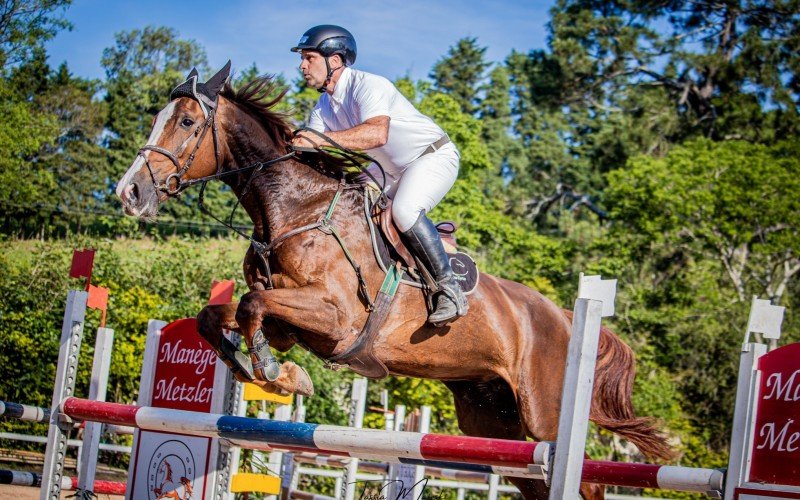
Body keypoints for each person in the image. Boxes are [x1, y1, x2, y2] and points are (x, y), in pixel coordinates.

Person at [290, 25, 468, 326]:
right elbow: (312, 150)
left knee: (405, 210)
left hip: (431, 156)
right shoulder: (323, 107)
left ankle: (449, 287)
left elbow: (377, 133)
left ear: (334, 60)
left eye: (309, 58)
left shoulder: (369, 85)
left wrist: (316, 140)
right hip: (387, 170)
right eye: (303, 59)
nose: (302, 66)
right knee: (347, 208)